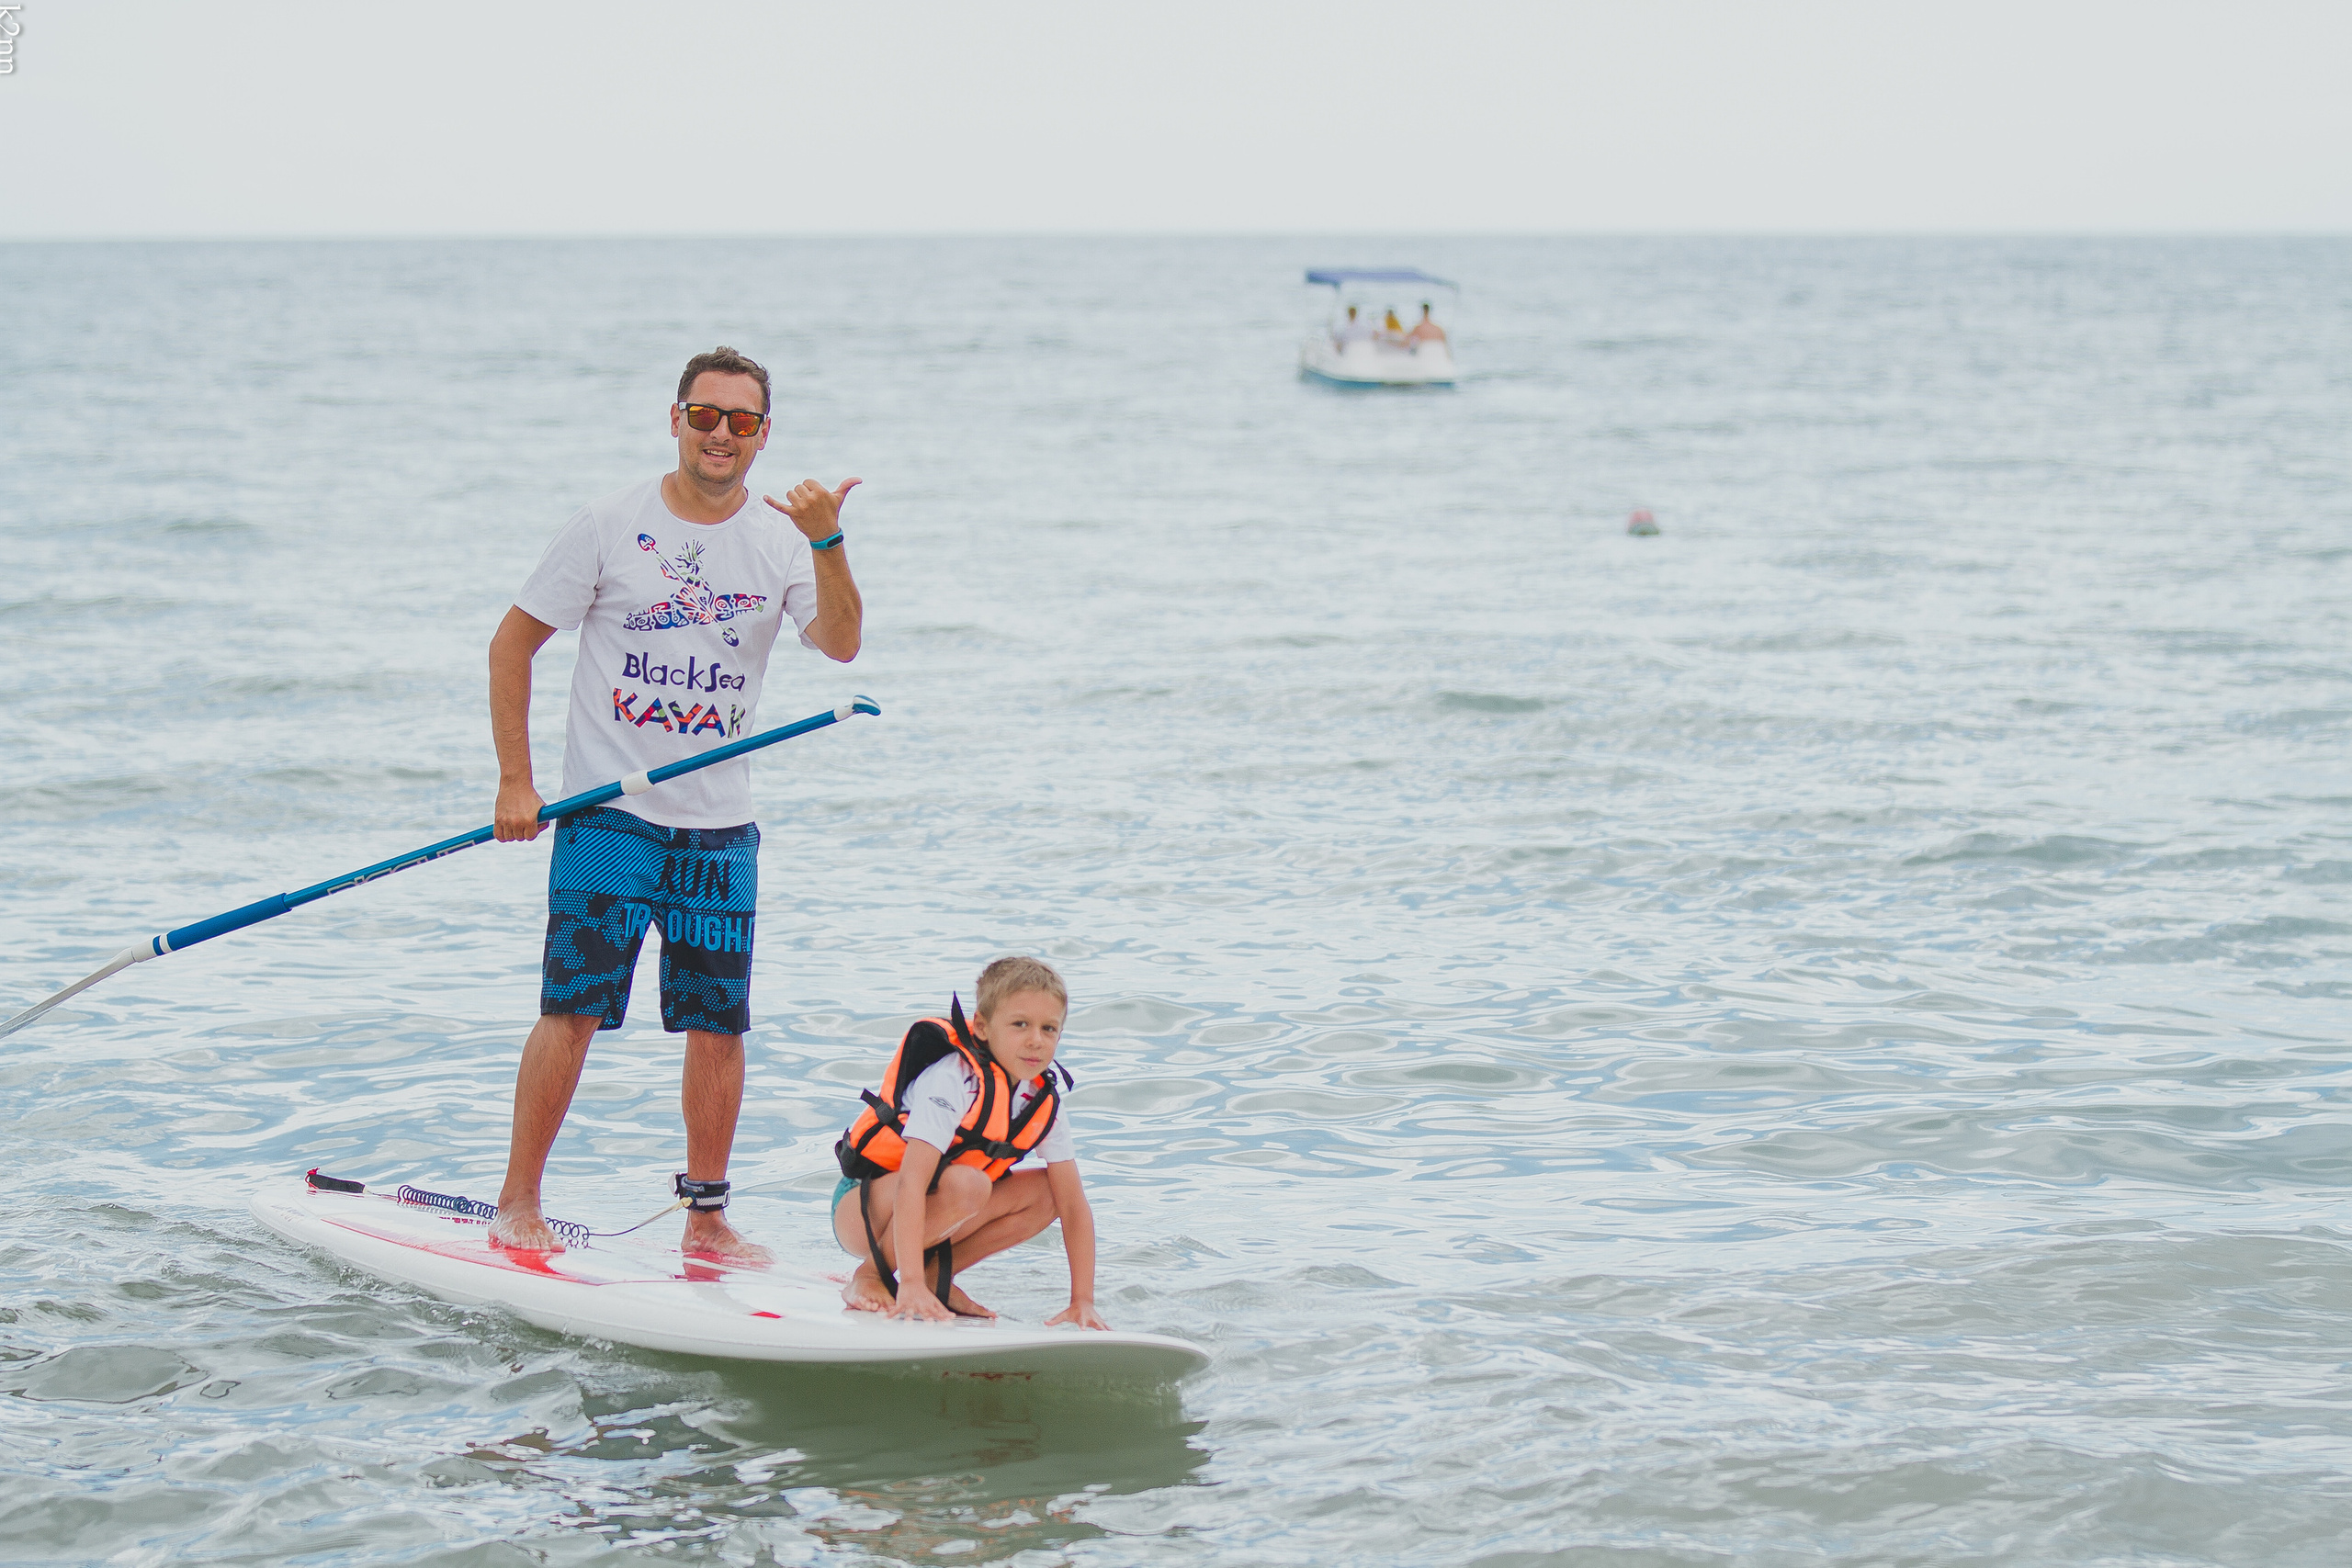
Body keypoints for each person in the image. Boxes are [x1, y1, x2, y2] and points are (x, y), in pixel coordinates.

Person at [483, 345, 865, 1259]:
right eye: (704, 415)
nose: (719, 434)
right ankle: (517, 1202)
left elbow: (842, 643)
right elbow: (511, 644)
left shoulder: (782, 540)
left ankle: (706, 1220)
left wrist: (828, 541)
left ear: (763, 435)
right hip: (607, 817)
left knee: (717, 1025)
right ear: (675, 420)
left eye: (741, 421)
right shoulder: (610, 523)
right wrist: (515, 781)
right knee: (572, 1008)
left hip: (718, 827)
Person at [830, 956, 1108, 1327]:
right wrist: (908, 1284)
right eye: (1020, 1024)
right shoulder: (953, 1080)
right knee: (969, 1184)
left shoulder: (1042, 1103)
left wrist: (1082, 1301)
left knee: (1051, 1192)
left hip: (934, 1212)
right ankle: (870, 1275)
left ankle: (936, 1279)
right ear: (981, 1026)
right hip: (862, 1209)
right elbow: (912, 1182)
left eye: (1049, 1028)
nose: (1035, 1040)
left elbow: (1073, 1205)